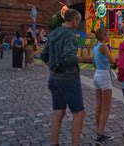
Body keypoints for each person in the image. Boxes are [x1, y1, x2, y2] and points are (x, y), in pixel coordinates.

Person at [40, 9, 85, 146]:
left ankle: (54, 143)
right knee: (79, 113)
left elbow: (43, 55)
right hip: (69, 78)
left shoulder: (54, 33)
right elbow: (69, 57)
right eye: (79, 20)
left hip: (54, 78)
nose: (78, 23)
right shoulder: (70, 35)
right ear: (74, 20)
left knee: (58, 112)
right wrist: (88, 58)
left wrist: (54, 66)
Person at [92, 28, 116, 144]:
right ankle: (100, 134)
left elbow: (93, 62)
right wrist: (115, 58)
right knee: (106, 108)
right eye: (108, 35)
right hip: (104, 76)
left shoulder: (95, 47)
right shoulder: (104, 46)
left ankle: (99, 130)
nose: (109, 37)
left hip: (96, 75)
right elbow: (112, 60)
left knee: (99, 106)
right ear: (103, 36)